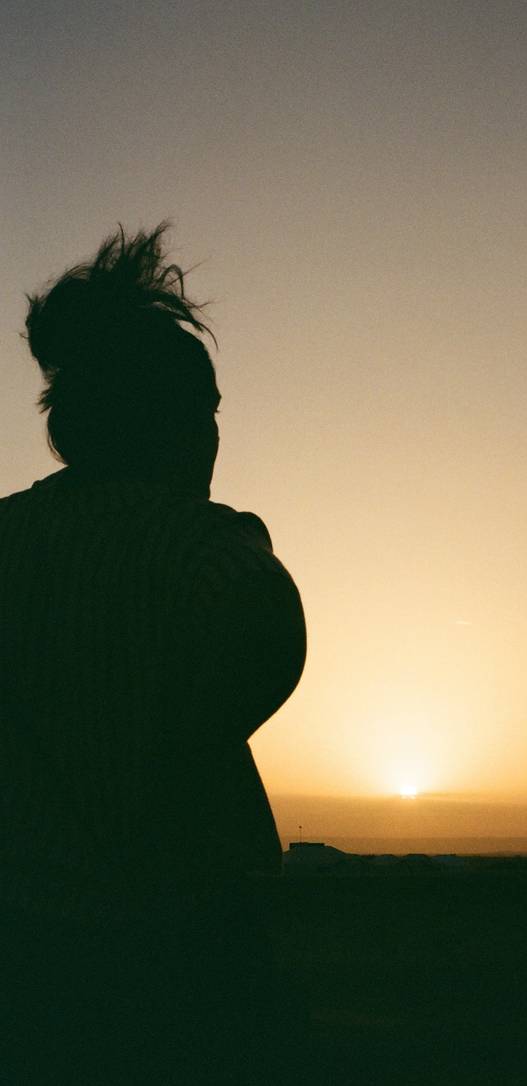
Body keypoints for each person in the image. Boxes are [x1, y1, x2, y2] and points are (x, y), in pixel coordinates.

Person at [0, 224, 306, 1083]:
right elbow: (262, 662)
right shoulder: (215, 560)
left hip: (28, 961)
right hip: (191, 958)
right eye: (207, 413)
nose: (214, 437)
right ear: (169, 419)